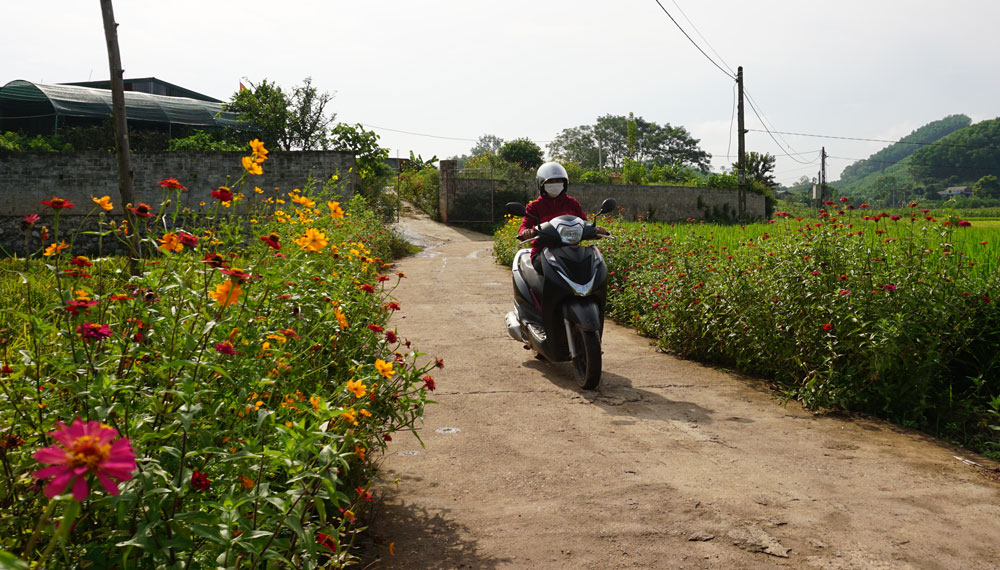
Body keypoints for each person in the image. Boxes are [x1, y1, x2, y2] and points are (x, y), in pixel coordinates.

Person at [517, 162, 605, 272]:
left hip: (573, 252)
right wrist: (525, 232)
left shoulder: (572, 203)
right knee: (549, 273)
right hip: (544, 252)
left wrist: (596, 231)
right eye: (550, 181)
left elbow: (584, 223)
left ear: (564, 183)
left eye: (558, 181)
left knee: (593, 268)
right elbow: (525, 225)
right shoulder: (534, 207)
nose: (555, 184)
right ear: (541, 184)